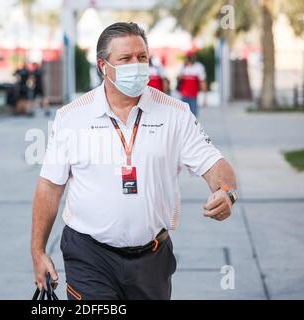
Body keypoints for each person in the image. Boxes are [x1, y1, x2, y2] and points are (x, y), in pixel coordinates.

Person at [31, 22, 238, 300]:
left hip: (152, 258)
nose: (137, 65)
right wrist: (38, 251)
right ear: (103, 66)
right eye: (125, 59)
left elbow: (215, 165)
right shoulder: (72, 117)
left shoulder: (175, 114)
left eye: (142, 58)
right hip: (89, 256)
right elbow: (49, 188)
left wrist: (225, 193)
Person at [177, 50, 207, 117]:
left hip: (193, 96)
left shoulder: (199, 67)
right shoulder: (183, 67)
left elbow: (203, 82)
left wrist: (204, 98)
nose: (189, 59)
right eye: (188, 57)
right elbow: (178, 79)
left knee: (193, 116)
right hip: (184, 96)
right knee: (183, 116)